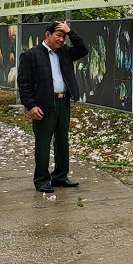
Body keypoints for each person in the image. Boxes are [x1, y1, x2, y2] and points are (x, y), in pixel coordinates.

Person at [17, 20, 88, 193]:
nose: (61, 40)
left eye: (64, 36)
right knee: (43, 142)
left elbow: (83, 49)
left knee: (62, 141)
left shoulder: (65, 52)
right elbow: (23, 83)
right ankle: (41, 180)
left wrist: (70, 32)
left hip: (63, 101)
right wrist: (31, 106)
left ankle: (60, 176)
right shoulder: (31, 55)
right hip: (43, 104)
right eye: (58, 35)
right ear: (47, 35)